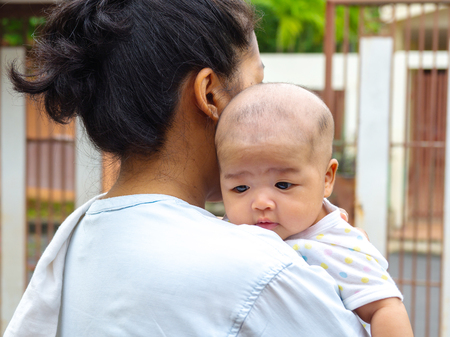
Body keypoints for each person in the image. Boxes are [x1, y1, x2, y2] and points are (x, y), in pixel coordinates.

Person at [5, 1, 370, 336]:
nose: (264, 104)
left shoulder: (73, 245)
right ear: (209, 94)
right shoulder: (261, 270)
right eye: (255, 85)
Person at [216, 83, 414, 337]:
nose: (260, 202)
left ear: (327, 179)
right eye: (241, 188)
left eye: (283, 184)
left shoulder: (339, 244)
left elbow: (386, 307)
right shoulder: (228, 229)